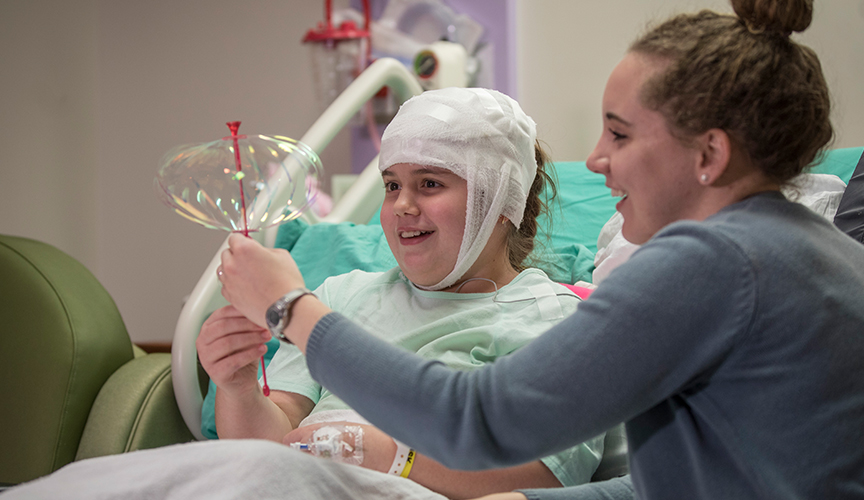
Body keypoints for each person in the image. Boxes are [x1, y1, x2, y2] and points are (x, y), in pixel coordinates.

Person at [218, 1, 864, 499]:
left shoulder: (710, 262)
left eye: (618, 132)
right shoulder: (820, 254)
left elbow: (476, 422)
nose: (596, 160)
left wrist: (289, 308)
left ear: (709, 154)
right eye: (392, 185)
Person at [201, 87, 605, 499]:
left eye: (429, 183)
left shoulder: (552, 319)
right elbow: (273, 447)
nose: (402, 205)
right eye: (392, 185)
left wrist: (395, 458)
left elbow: (548, 479)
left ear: (501, 200)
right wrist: (238, 389)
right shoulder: (337, 297)